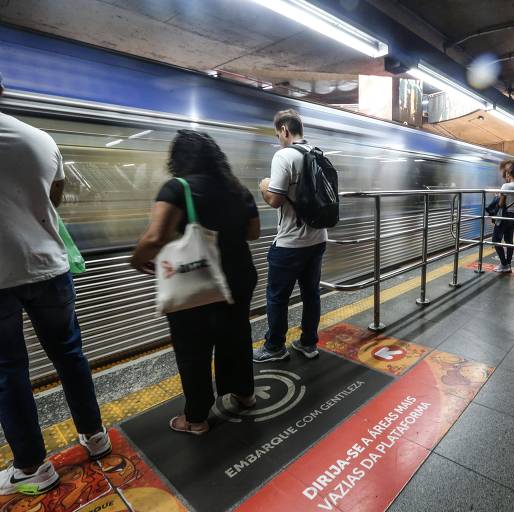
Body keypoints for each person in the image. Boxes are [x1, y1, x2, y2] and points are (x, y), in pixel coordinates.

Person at [0, 73, 110, 496]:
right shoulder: (40, 139)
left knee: (10, 372)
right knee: (70, 355)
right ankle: (96, 436)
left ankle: (32, 467)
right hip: (49, 266)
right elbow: (54, 196)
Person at [131, 130, 261, 435]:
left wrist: (136, 260)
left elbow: (155, 236)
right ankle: (244, 394)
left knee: (193, 350)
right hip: (239, 278)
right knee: (236, 336)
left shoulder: (178, 188)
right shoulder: (238, 189)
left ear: (178, 160)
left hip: (196, 282)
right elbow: (253, 233)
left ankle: (197, 418)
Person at [253, 109, 328, 363]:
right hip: (318, 239)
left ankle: (275, 347)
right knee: (311, 293)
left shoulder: (283, 155)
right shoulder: (318, 153)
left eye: (278, 134)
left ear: (284, 130)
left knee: (277, 296)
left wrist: (264, 187)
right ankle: (308, 343)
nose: (278, 139)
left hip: (290, 243)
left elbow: (275, 200)